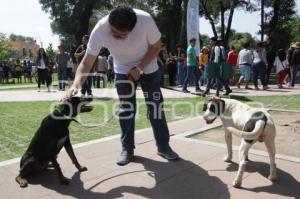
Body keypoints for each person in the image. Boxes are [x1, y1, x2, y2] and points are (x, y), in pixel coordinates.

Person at [64, 6, 179, 165]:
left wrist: (139, 69)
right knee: (126, 110)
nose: (116, 36)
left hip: (149, 68)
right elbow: (87, 61)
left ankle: (164, 146)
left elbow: (157, 46)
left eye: (122, 35)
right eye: (114, 33)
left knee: (156, 107)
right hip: (122, 70)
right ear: (109, 22)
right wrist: (75, 85)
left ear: (133, 27)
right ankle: (127, 148)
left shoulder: (145, 20)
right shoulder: (101, 29)